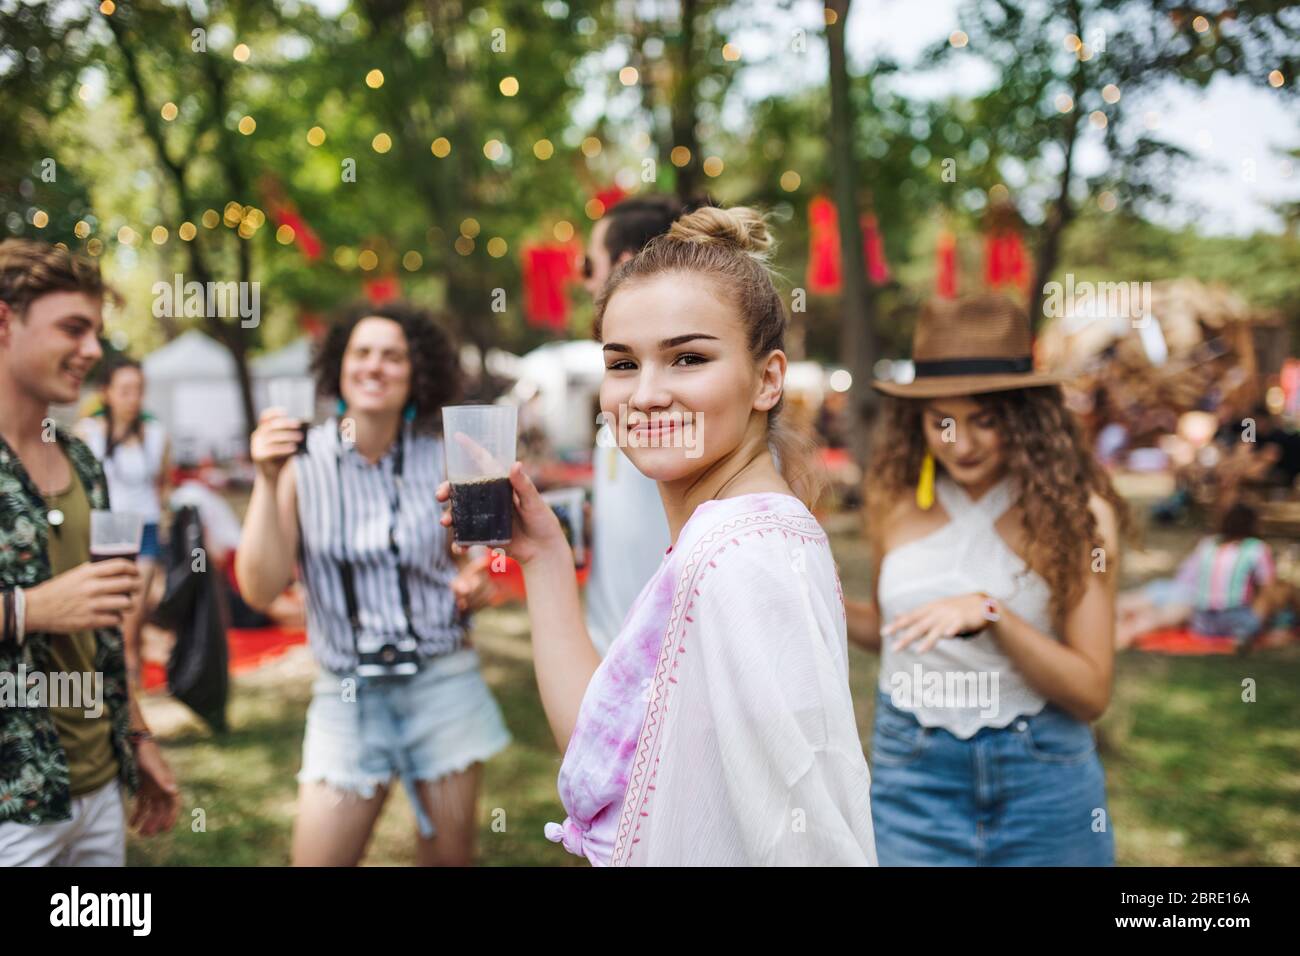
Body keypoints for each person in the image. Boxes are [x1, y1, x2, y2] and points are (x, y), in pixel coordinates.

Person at [439, 206, 876, 865]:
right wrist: (544, 555)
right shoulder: (723, 536)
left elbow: (808, 840)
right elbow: (609, 751)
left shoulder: (740, 556)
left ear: (768, 378)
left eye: (687, 358)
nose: (645, 395)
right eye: (622, 364)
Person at [845, 294, 1123, 866]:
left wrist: (994, 616)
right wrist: (818, 595)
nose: (960, 442)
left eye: (984, 421)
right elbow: (891, 630)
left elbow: (1091, 691)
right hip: (912, 775)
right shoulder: (893, 500)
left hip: (1042, 774)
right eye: (940, 421)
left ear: (1024, 417)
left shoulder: (1075, 514)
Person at [236, 301, 510, 866]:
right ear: (339, 367)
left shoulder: (444, 455)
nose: (375, 366)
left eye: (393, 356)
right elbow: (258, 590)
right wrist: (266, 481)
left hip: (442, 683)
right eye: (362, 352)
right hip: (346, 693)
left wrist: (478, 578)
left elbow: (473, 559)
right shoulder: (298, 460)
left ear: (416, 374)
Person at [0, 239, 179, 865]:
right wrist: (26, 609)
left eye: (97, 332)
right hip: (11, 807)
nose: (94, 351)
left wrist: (137, 735)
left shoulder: (81, 460)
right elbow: (47, 610)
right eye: (73, 329)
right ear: (5, 321)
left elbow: (104, 631)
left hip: (100, 788)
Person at [581, 195, 706, 655]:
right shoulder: (632, 394)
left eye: (587, 264)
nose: (585, 281)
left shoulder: (670, 410)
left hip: (662, 671)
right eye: (621, 366)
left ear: (626, 264)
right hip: (612, 660)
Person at [75, 358, 170, 687]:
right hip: (109, 527)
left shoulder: (156, 434)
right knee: (117, 607)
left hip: (145, 525)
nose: (133, 398)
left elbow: (162, 485)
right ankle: (124, 670)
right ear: (107, 393)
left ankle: (132, 668)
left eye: (138, 390)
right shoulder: (87, 433)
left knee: (137, 605)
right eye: (125, 390)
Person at [1182, 502, 1295, 649]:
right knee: (1282, 592)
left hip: (1201, 623)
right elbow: (1270, 589)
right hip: (1236, 621)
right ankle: (1252, 632)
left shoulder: (1207, 544)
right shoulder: (1256, 548)